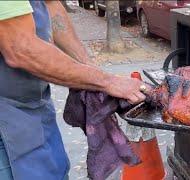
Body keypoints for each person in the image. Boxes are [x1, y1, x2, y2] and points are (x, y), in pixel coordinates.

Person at [0, 1, 148, 179]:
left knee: (56, 172)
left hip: (34, 107)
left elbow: (51, 6)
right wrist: (108, 82)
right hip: (5, 121)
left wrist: (88, 68)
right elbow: (21, 48)